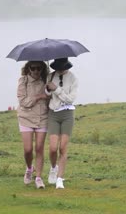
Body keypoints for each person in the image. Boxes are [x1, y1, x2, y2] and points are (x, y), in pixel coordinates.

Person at [45, 58, 78, 189]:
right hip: (53, 114)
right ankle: (53, 168)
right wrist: (48, 88)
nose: (61, 69)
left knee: (63, 148)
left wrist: (56, 89)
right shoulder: (50, 76)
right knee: (53, 148)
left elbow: (70, 99)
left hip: (67, 115)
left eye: (63, 67)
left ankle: (60, 179)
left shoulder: (73, 78)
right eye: (58, 67)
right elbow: (46, 94)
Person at [16, 61, 50, 189]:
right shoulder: (23, 81)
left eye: (39, 68)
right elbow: (23, 101)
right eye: (33, 68)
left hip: (42, 118)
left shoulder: (47, 80)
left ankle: (39, 178)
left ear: (42, 69)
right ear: (28, 69)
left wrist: (50, 92)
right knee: (28, 149)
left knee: (40, 148)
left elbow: (51, 98)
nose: (36, 71)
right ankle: (30, 168)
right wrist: (38, 96)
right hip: (26, 117)